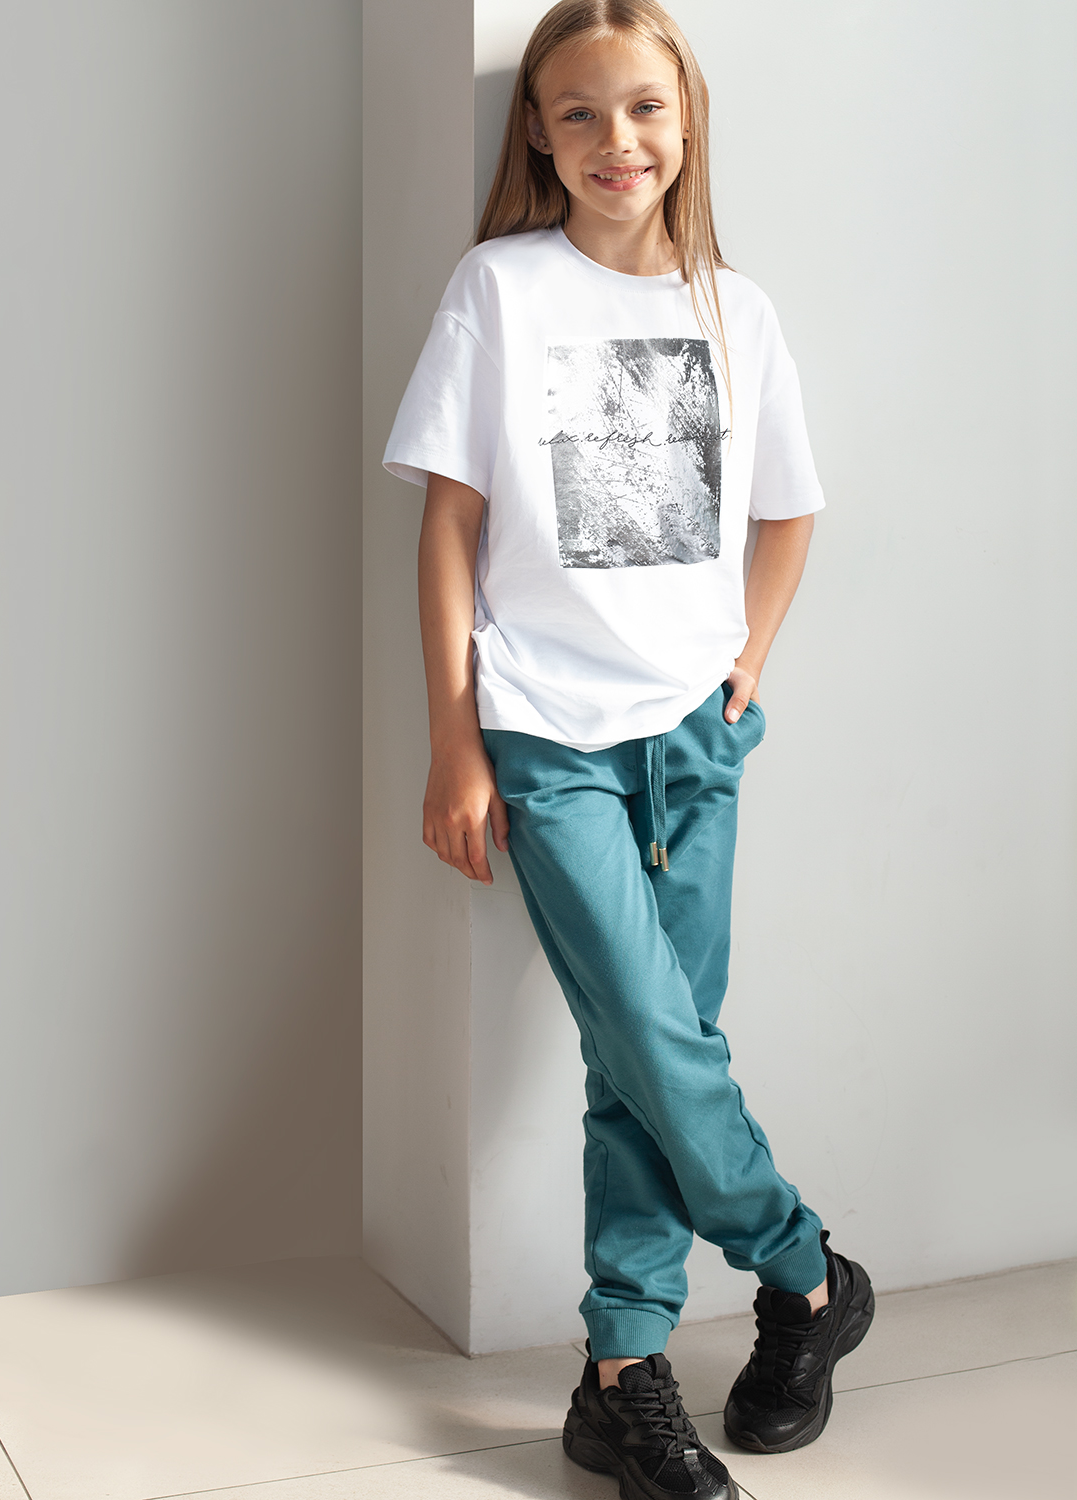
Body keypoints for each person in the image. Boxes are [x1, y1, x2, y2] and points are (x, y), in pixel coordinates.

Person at [384, 2, 874, 1495]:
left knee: (641, 1059)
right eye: (581, 112)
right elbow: (451, 523)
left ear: (688, 119)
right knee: (659, 1040)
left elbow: (789, 509)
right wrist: (454, 737)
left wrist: (747, 664)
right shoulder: (500, 287)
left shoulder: (738, 308)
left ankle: (620, 1372)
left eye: (646, 107)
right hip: (546, 730)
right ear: (539, 133)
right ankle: (804, 1270)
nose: (618, 140)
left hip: (693, 734)